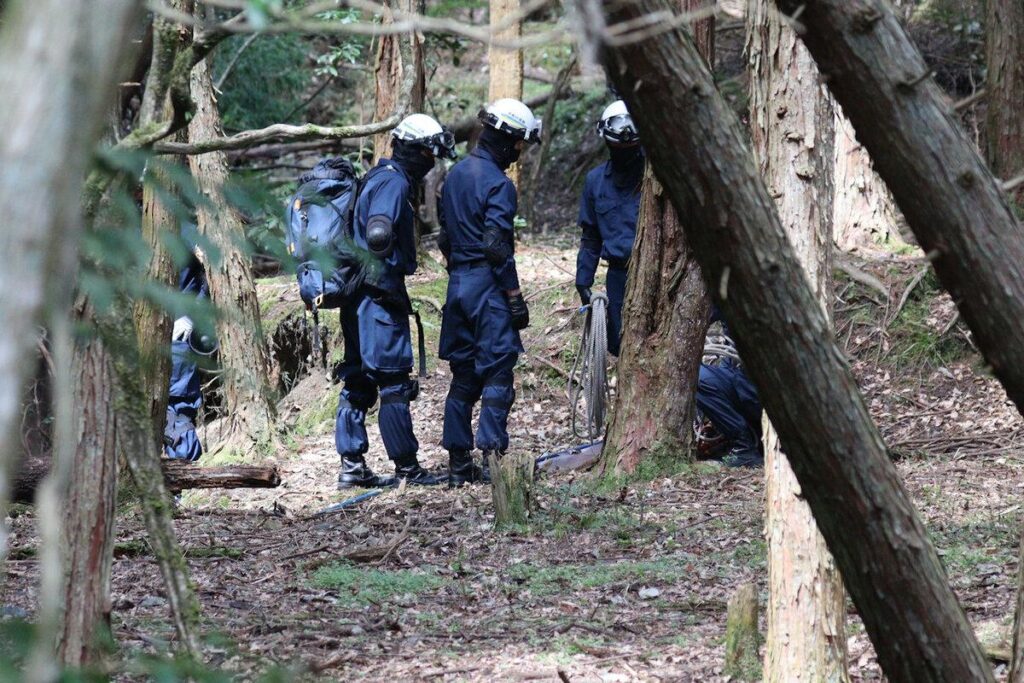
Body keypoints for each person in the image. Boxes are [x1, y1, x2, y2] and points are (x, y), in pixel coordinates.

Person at [335, 113, 457, 489]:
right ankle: (406, 466)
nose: (432, 161)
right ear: (418, 150)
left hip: (356, 296)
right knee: (392, 382)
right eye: (430, 152)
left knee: (357, 378)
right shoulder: (392, 182)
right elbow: (378, 229)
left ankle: (352, 466)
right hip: (378, 297)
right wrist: (383, 249)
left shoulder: (375, 175)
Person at [437, 99, 541, 486]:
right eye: (520, 145)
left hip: (457, 285)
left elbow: (446, 238)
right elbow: (497, 245)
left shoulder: (454, 176)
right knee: (498, 371)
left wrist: (459, 273)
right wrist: (513, 296)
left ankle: (458, 467)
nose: (520, 153)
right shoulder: (499, 184)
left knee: (463, 375)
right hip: (487, 287)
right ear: (509, 140)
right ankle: (495, 460)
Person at [575, 100, 644, 357]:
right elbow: (590, 237)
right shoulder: (595, 182)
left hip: (659, 274)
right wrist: (583, 280)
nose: (624, 151)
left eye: (631, 146)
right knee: (619, 344)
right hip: (619, 276)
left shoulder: (657, 176)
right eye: (618, 145)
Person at [164, 221, 214, 462]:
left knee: (178, 407)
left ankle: (183, 480)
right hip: (145, 333)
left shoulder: (183, 229)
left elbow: (211, 272)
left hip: (178, 336)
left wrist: (191, 316)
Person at [694, 309, 763, 468]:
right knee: (694, 375)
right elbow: (696, 316)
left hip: (765, 397)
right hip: (740, 381)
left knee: (696, 377)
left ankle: (744, 447)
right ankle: (739, 443)